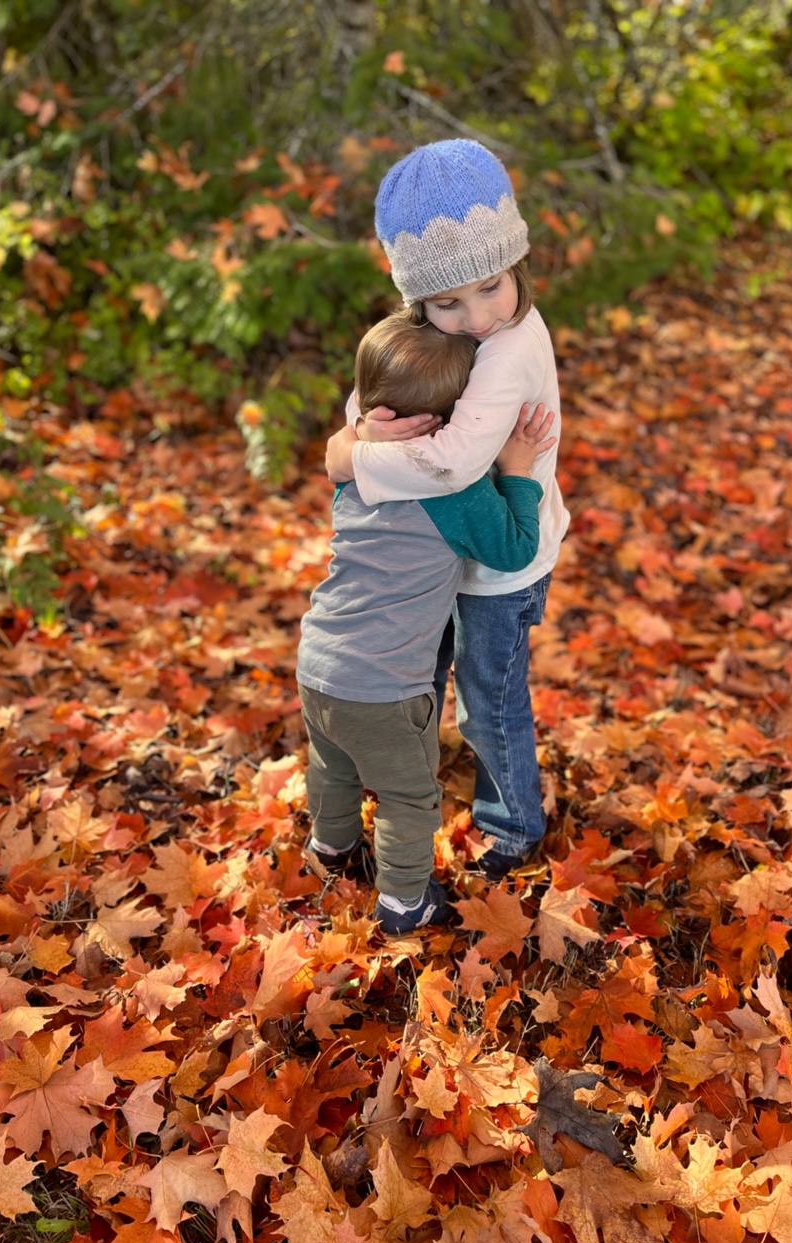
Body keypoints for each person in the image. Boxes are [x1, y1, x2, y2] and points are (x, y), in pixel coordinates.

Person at [325, 138, 569, 880]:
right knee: (423, 671)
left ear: (515, 264)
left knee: (488, 696)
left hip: (504, 557)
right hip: (444, 554)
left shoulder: (511, 347)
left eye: (491, 288)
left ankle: (513, 825)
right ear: (418, 301)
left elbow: (458, 459)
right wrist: (362, 424)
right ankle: (406, 780)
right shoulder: (447, 330)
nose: (472, 316)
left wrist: (353, 458)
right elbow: (379, 390)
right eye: (446, 302)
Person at [296, 310, 553, 935]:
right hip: (384, 686)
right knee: (409, 797)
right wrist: (516, 474)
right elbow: (514, 549)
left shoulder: (358, 470)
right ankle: (405, 901)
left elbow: (349, 454)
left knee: (333, 766)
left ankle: (330, 850)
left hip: (319, 663)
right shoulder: (455, 490)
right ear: (452, 421)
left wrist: (359, 434)